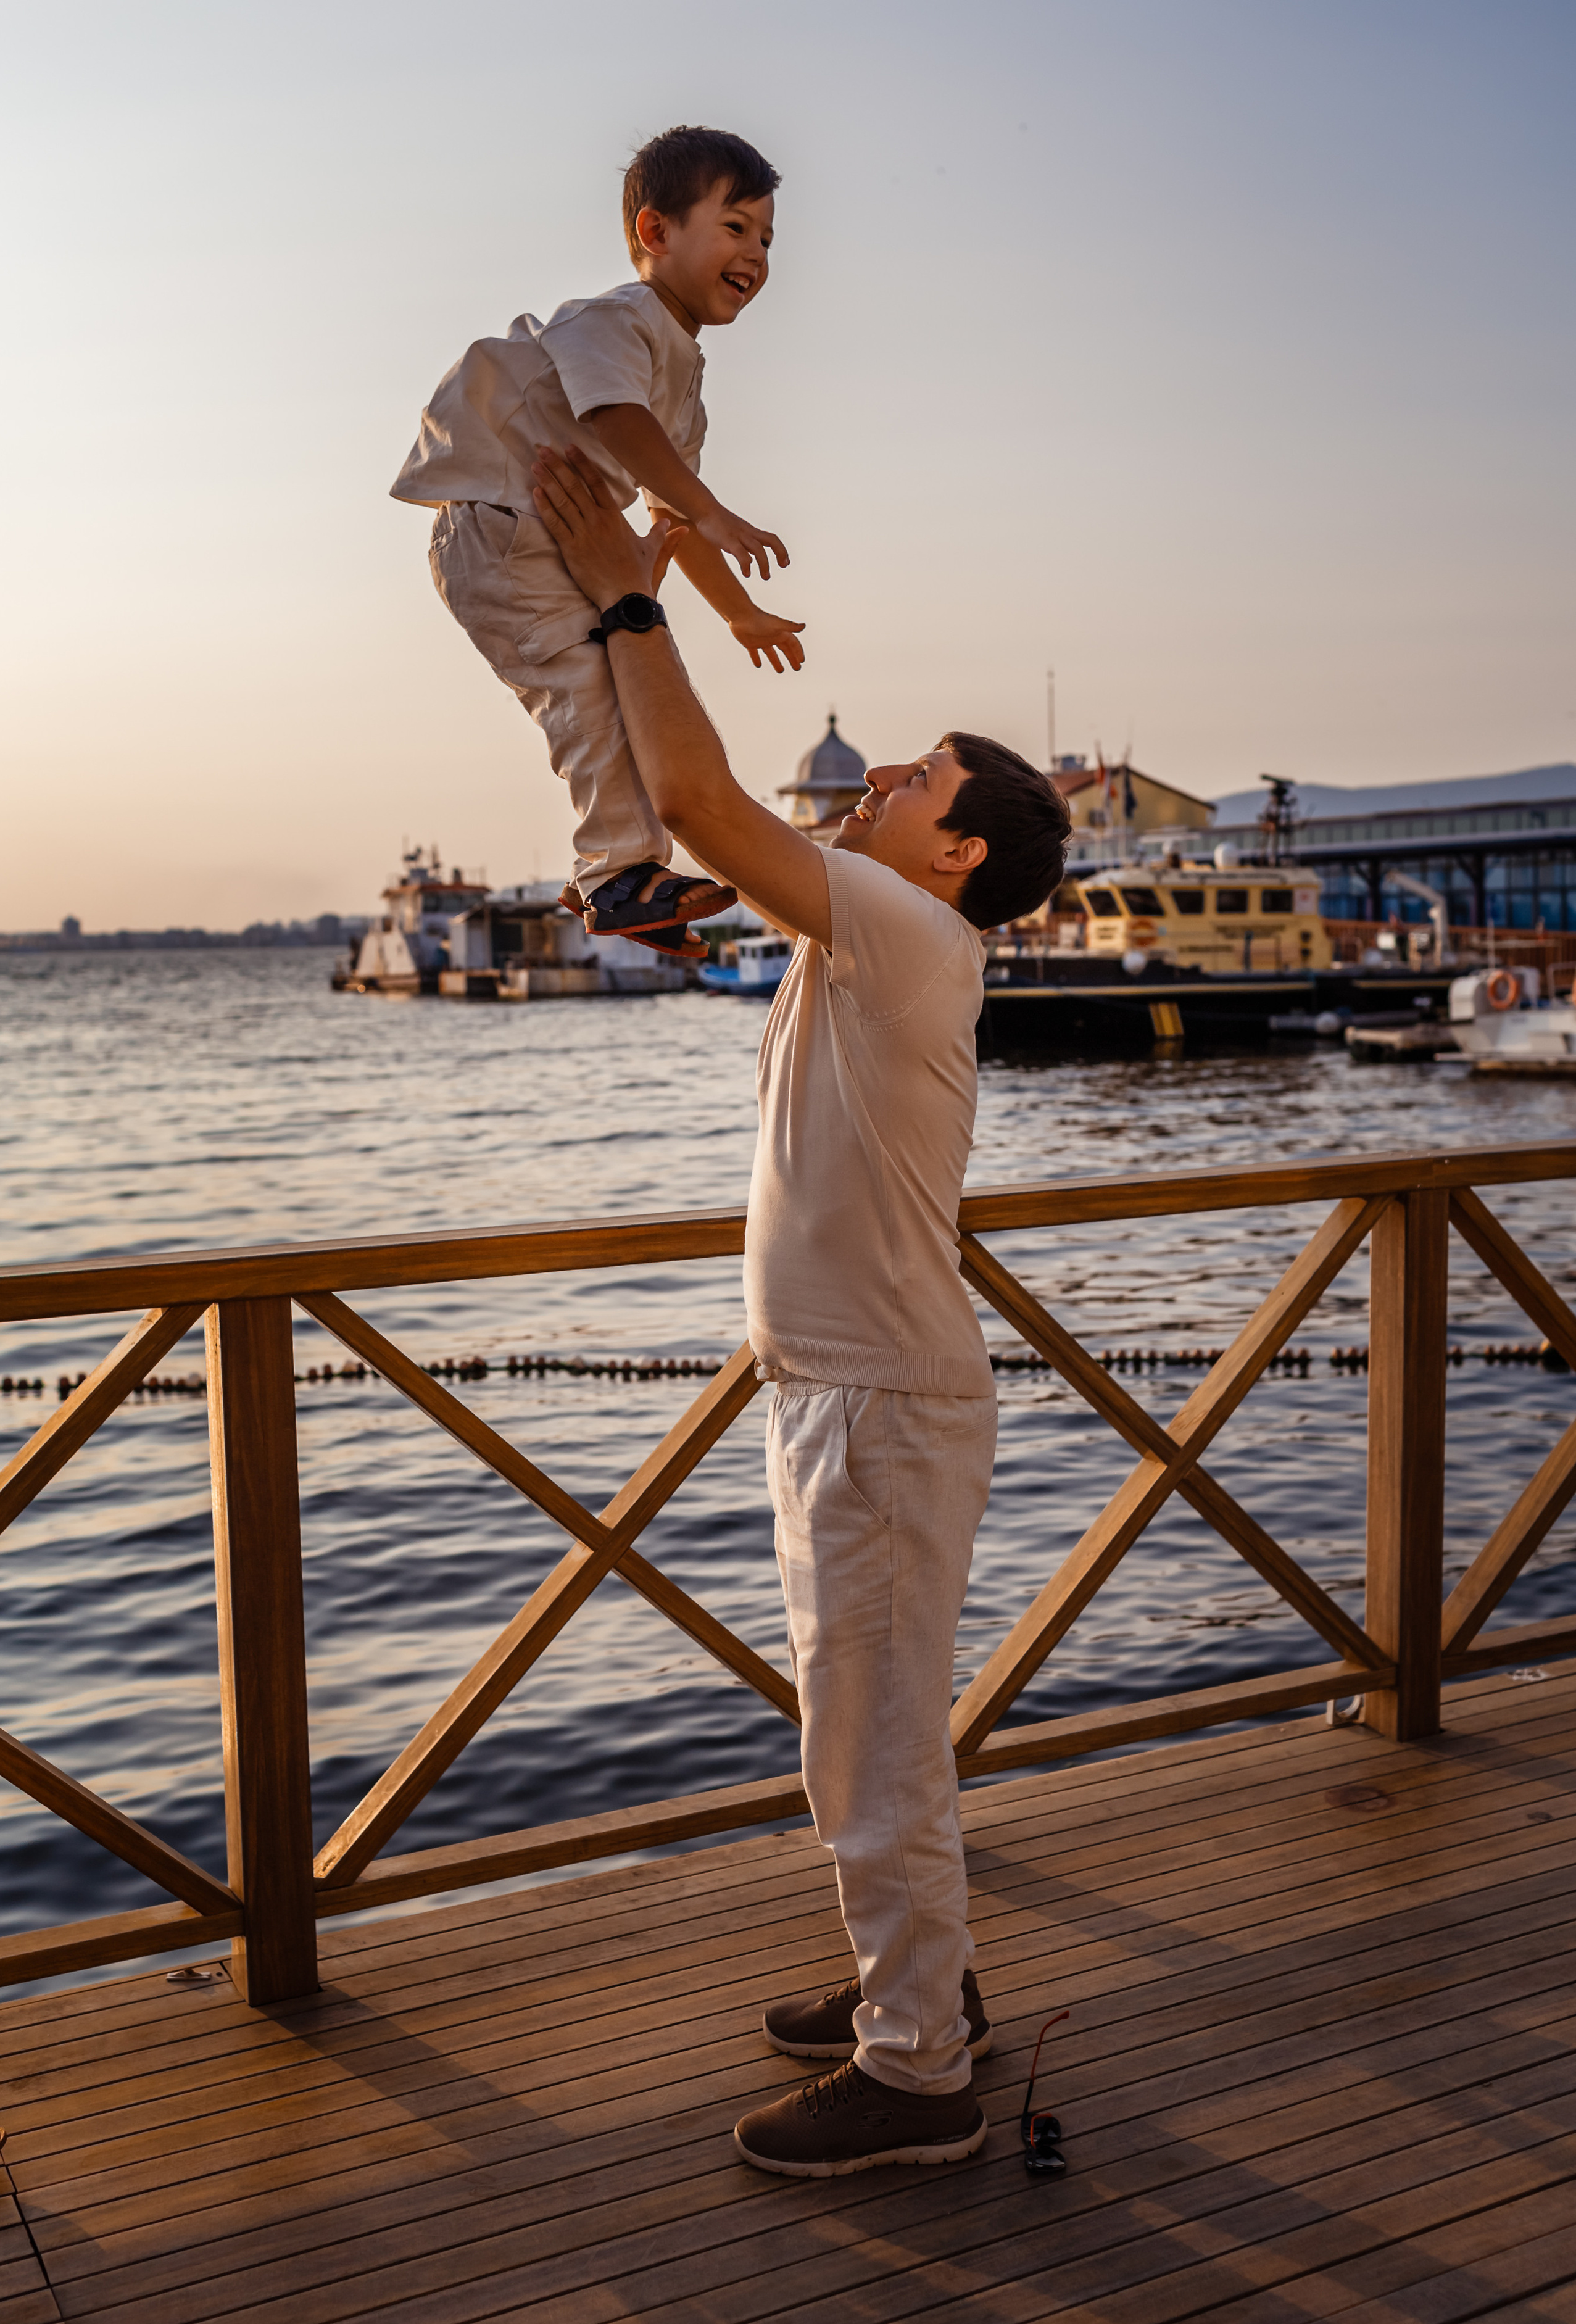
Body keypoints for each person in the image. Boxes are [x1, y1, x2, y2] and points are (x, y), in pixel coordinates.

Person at [531, 442, 1072, 2177]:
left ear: (956, 849)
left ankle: (917, 2075)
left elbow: (700, 800)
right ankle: (921, 1983)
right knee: (869, 1732)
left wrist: (631, 597)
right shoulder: (874, 931)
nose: (883, 776)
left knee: (872, 1746)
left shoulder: (904, 929)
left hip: (880, 1406)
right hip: (846, 1391)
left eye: (916, 777)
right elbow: (696, 834)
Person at [390, 126, 807, 958]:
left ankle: (625, 880)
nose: (756, 253)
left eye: (767, 237)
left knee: (631, 688)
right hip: (499, 523)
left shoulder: (683, 378)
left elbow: (670, 513)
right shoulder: (617, 319)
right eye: (735, 227)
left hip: (547, 532)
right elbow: (612, 415)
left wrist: (739, 612)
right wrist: (711, 509)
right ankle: (620, 875)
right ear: (656, 232)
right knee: (586, 686)